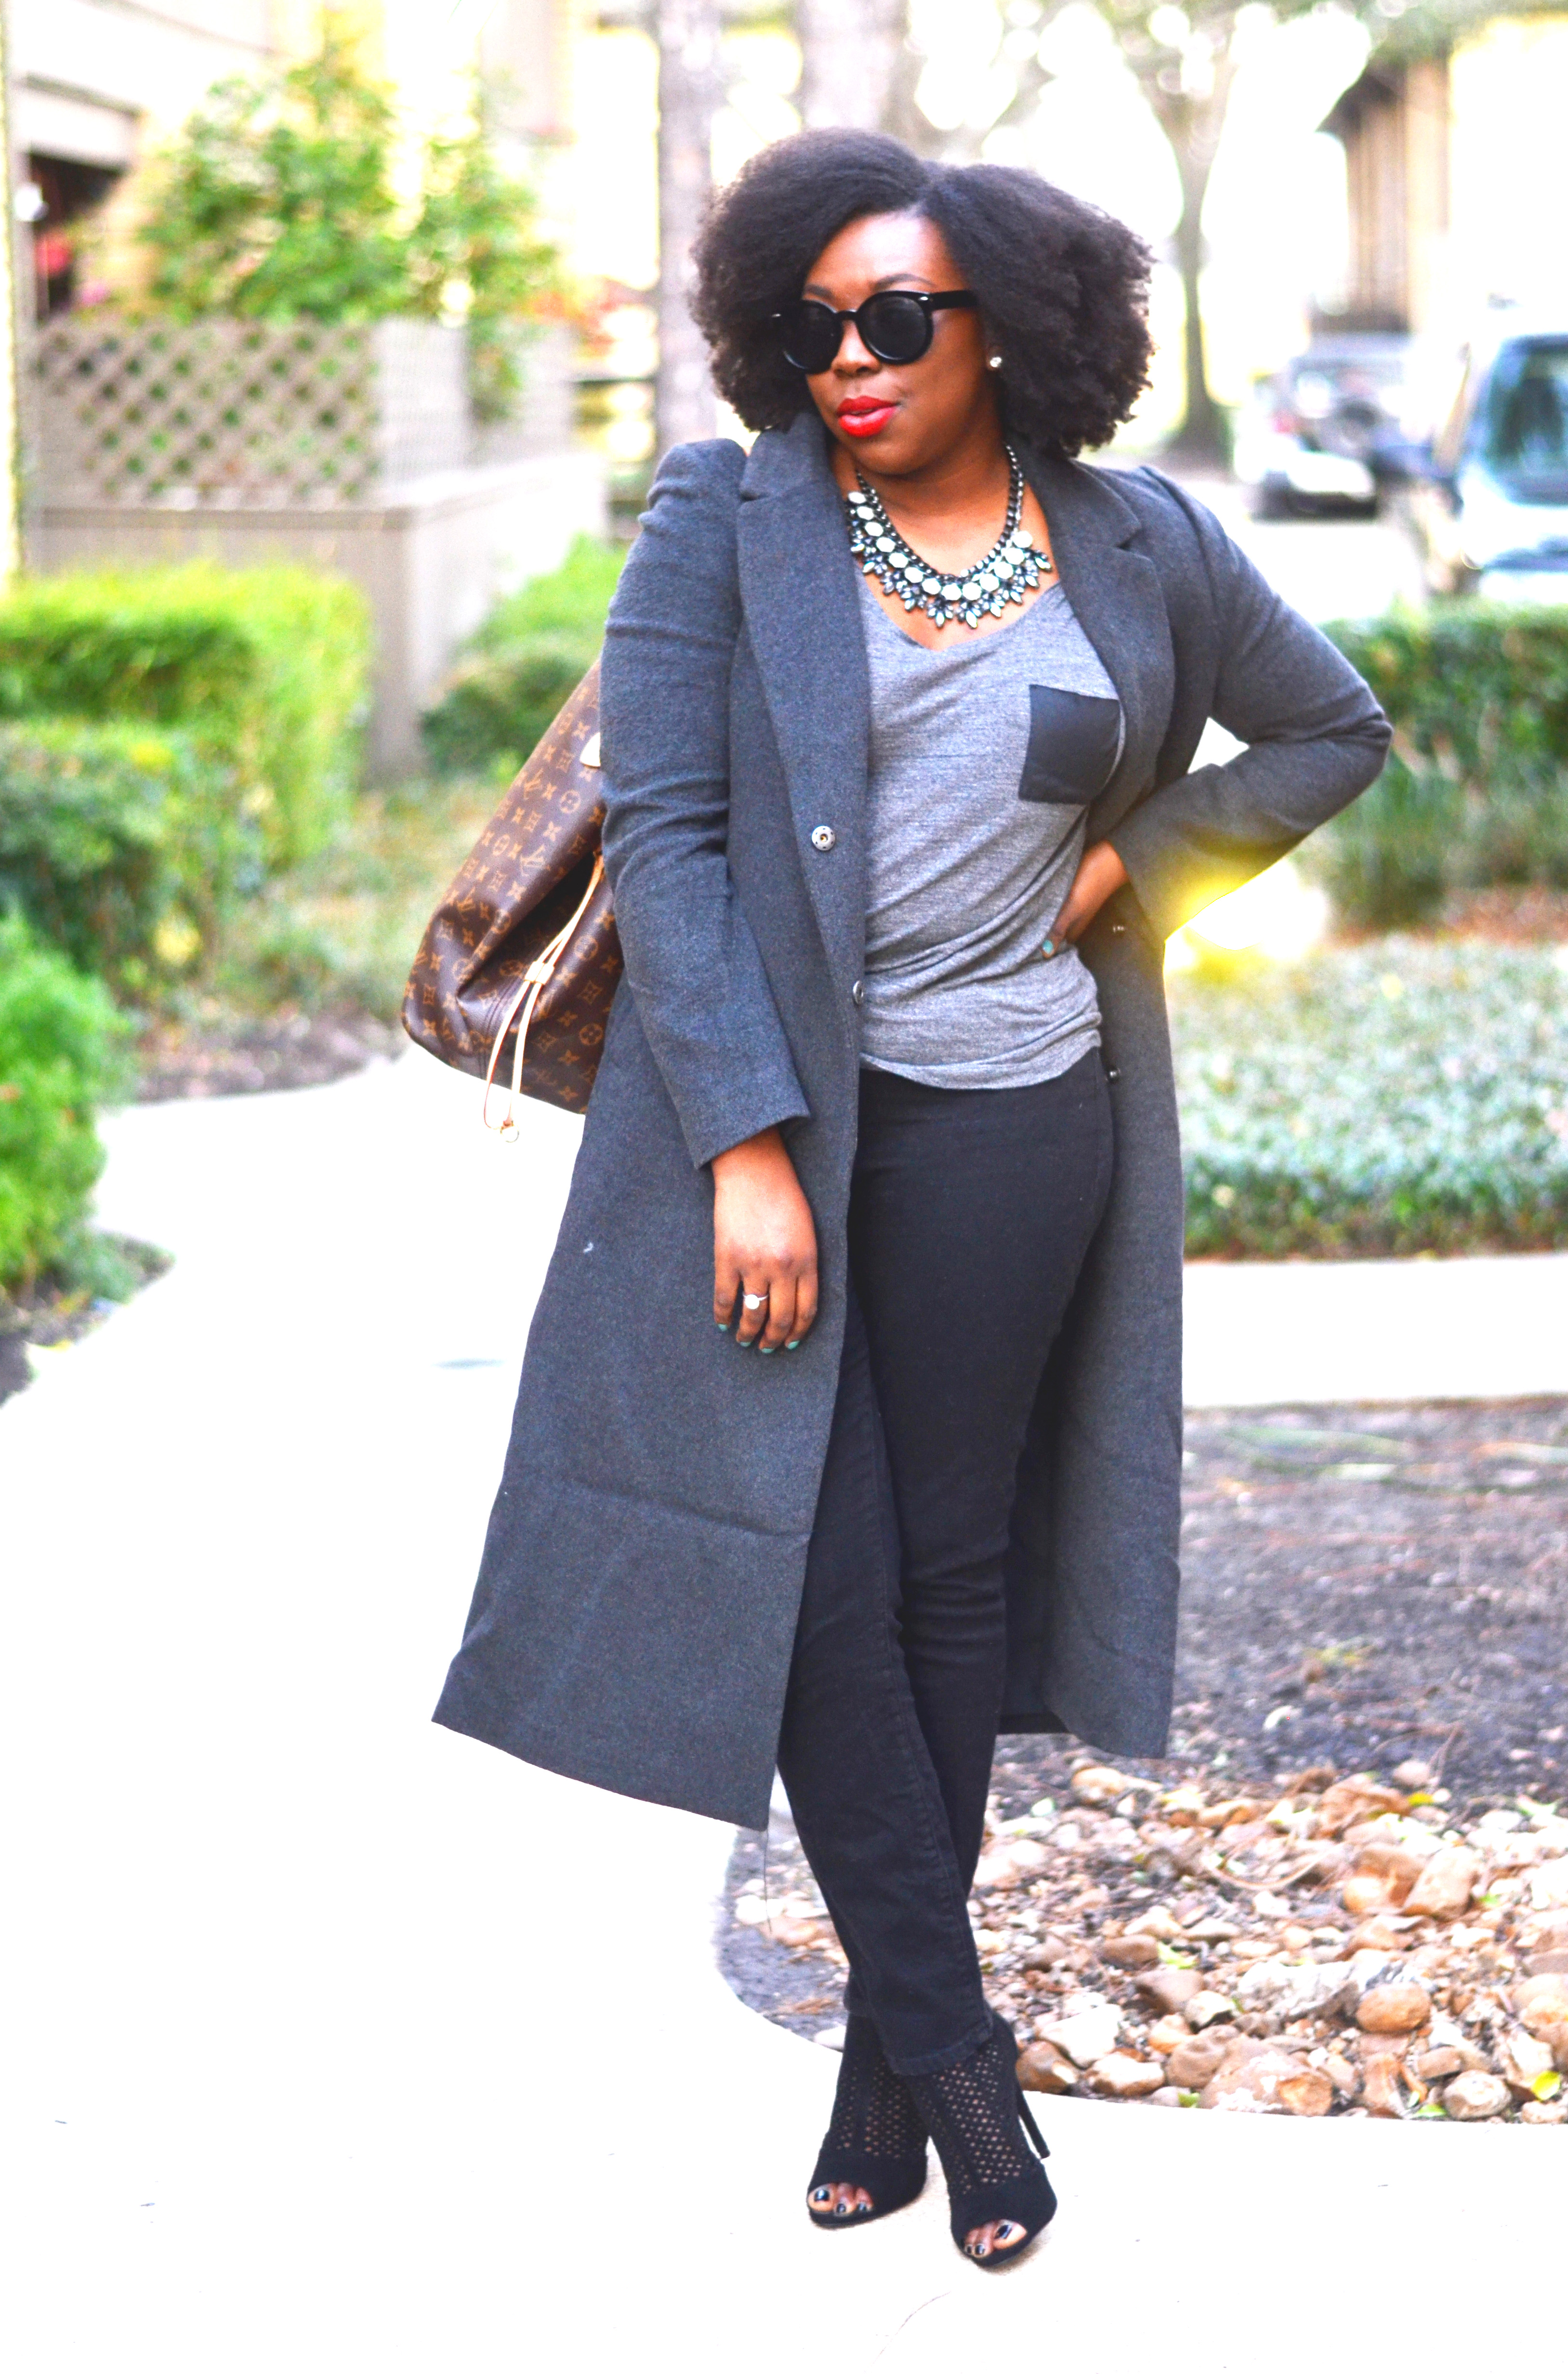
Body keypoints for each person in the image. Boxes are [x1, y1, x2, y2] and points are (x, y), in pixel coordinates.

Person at [434, 130, 1390, 2268]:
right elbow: (671, 843)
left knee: (949, 1572)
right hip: (783, 1124)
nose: (846, 360)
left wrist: (1151, 855)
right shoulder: (730, 516)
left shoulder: (1135, 546)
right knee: (810, 1585)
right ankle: (963, 2060)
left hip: (1017, 1125)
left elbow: (1333, 729)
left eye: (896, 321)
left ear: (1009, 336)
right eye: (813, 322)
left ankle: (881, 2054)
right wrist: (749, 1145)